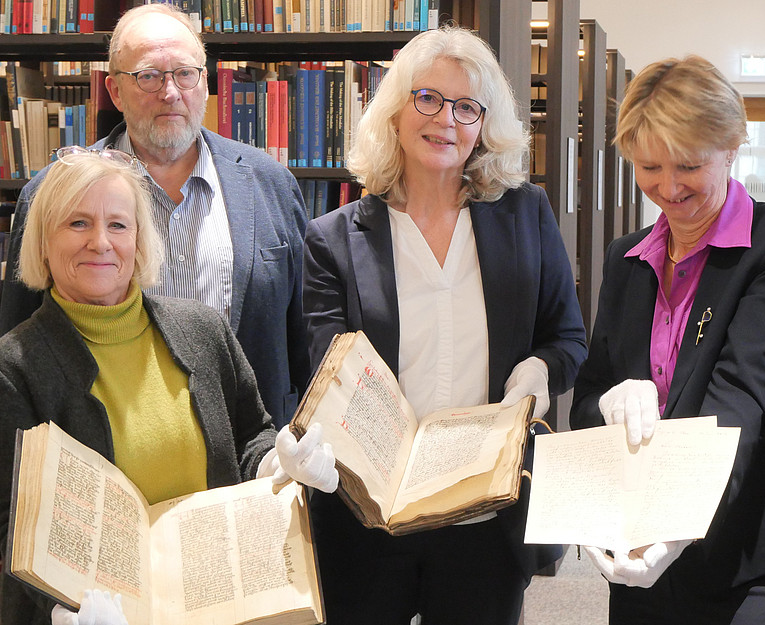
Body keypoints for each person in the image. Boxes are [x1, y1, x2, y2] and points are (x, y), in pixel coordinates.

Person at [300, 26, 587, 624]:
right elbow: (326, 374)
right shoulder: (332, 241)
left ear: (484, 125)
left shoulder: (525, 215)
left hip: (485, 516)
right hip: (370, 517)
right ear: (395, 115)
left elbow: (568, 339)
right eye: (427, 98)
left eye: (466, 107)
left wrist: (538, 372)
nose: (446, 121)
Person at [570, 55, 765, 625]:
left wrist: (675, 524)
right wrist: (608, 406)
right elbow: (589, 399)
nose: (667, 187)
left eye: (688, 165)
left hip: (742, 554)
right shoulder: (627, 259)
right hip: (638, 545)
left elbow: (745, 400)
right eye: (648, 167)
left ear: (732, 145)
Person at [0, 147, 278, 625]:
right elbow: (11, 525)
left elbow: (252, 436)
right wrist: (59, 608)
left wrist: (277, 462)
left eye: (118, 225)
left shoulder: (204, 330)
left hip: (222, 602)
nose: (101, 243)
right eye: (78, 223)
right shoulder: (13, 366)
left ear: (140, 241)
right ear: (43, 241)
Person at [0, 3, 310, 428]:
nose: (170, 92)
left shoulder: (270, 184)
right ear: (114, 91)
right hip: (103, 452)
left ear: (205, 81)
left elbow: (301, 342)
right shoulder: (53, 193)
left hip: (251, 454)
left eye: (185, 73)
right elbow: (18, 343)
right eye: (148, 75)